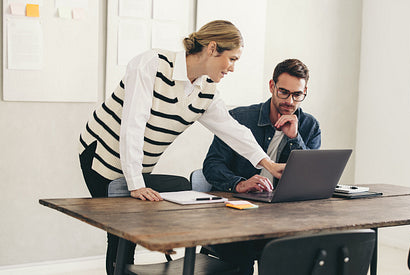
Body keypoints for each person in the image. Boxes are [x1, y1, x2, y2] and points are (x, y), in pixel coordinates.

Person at [78, 20, 284, 275]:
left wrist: (268, 164)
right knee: (122, 233)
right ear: (212, 48)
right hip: (101, 152)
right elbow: (133, 124)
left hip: (138, 161)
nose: (232, 68)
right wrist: (135, 183)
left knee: (130, 228)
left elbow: (233, 130)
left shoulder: (206, 90)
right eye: (232, 59)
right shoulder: (152, 64)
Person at [202, 58, 321, 274]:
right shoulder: (239, 118)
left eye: (297, 95)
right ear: (272, 86)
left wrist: (295, 139)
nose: (290, 101)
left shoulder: (309, 125)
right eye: (284, 92)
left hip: (283, 217)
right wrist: (238, 184)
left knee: (312, 249)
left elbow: (310, 179)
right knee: (242, 255)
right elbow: (212, 165)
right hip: (237, 217)